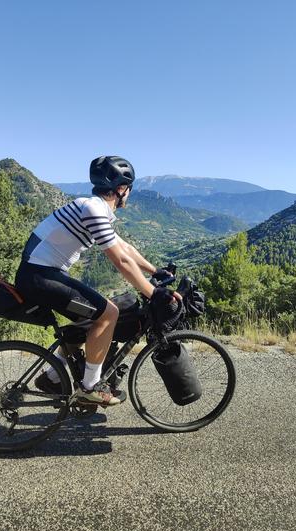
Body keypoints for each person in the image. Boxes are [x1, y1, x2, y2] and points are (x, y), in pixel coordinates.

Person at [15, 155, 181, 407]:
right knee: (108, 314)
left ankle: (51, 377)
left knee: (89, 318)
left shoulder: (94, 207)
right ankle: (90, 387)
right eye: (129, 188)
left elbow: (124, 247)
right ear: (121, 188)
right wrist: (153, 293)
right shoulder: (93, 209)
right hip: (39, 276)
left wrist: (153, 270)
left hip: (42, 273)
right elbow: (120, 262)